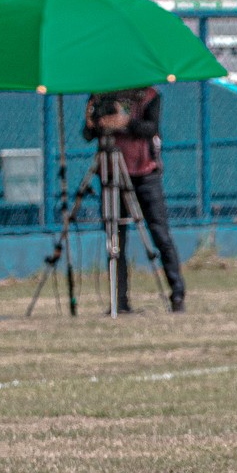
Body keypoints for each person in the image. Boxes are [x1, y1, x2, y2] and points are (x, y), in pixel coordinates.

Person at [83, 86, 185, 314]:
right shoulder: (101, 94)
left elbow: (151, 128)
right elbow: (88, 134)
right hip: (111, 174)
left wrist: (125, 123)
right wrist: (94, 120)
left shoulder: (149, 95)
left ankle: (177, 294)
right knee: (115, 239)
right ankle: (119, 301)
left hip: (145, 174)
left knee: (160, 234)